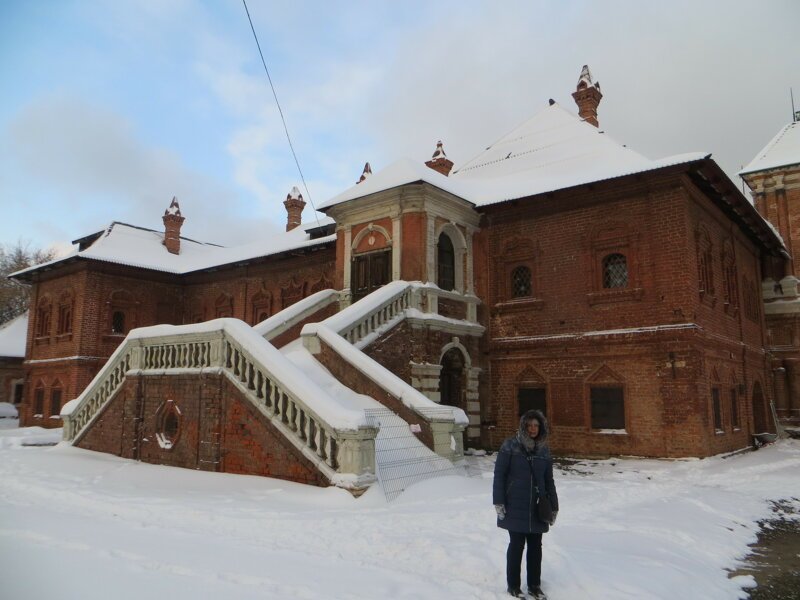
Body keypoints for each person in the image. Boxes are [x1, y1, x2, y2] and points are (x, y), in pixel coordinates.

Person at [493, 409, 559, 599]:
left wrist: (554, 506)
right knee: (516, 545)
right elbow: (500, 475)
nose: (533, 429)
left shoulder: (544, 449)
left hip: (538, 506)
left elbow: (549, 480)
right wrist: (499, 501)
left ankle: (534, 585)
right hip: (515, 504)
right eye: (529, 425)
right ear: (523, 426)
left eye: (536, 425)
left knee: (536, 547)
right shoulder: (510, 446)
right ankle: (513, 586)